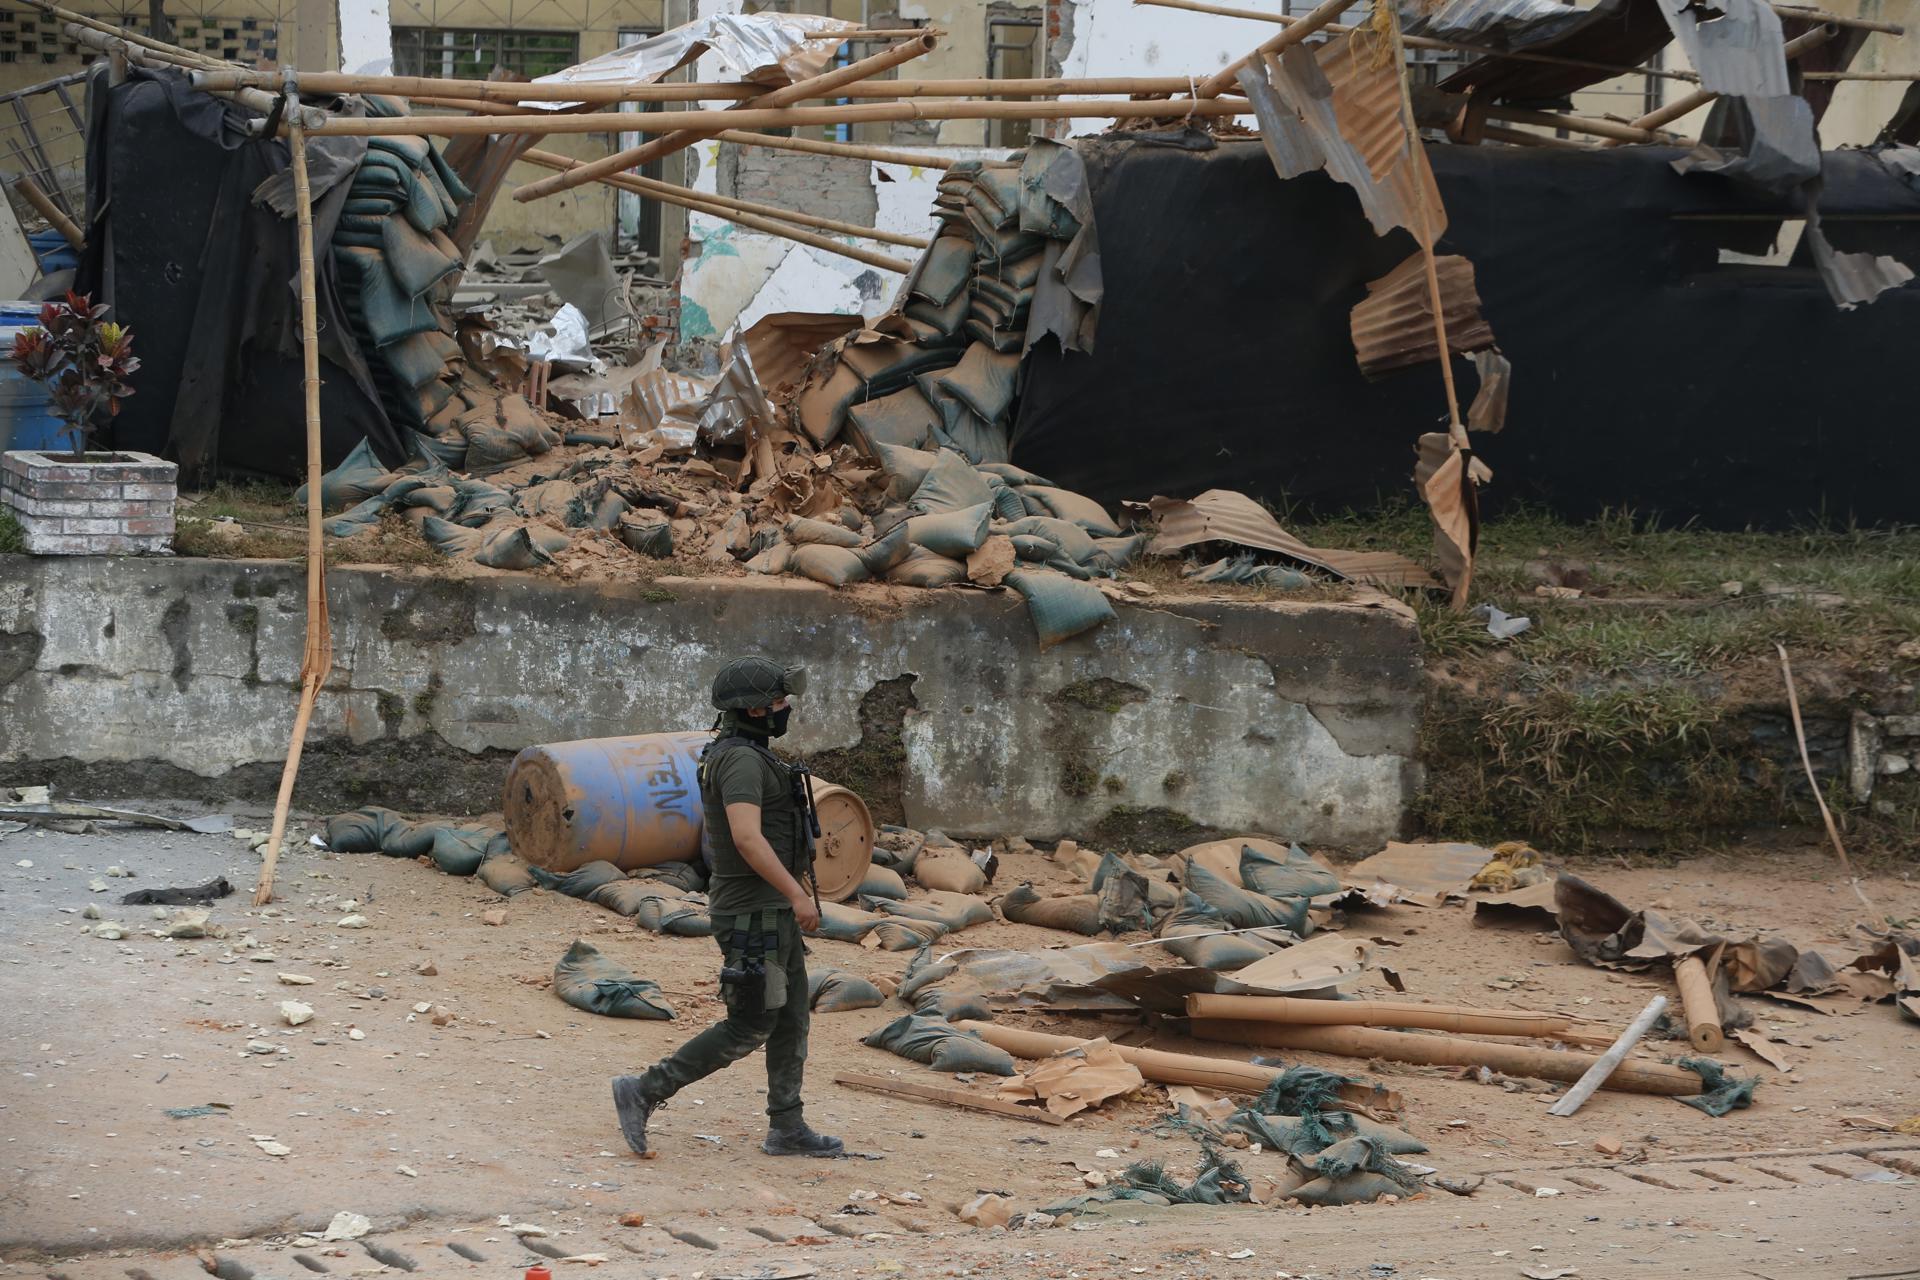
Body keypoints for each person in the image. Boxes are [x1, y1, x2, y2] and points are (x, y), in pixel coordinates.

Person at [611, 656, 844, 1158]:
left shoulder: (749, 755)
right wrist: (797, 894)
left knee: (790, 1019)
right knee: (752, 1022)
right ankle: (645, 1089)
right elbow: (746, 837)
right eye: (779, 702)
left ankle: (787, 1126)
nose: (785, 710)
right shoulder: (738, 760)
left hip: (769, 913)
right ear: (755, 710)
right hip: (752, 914)